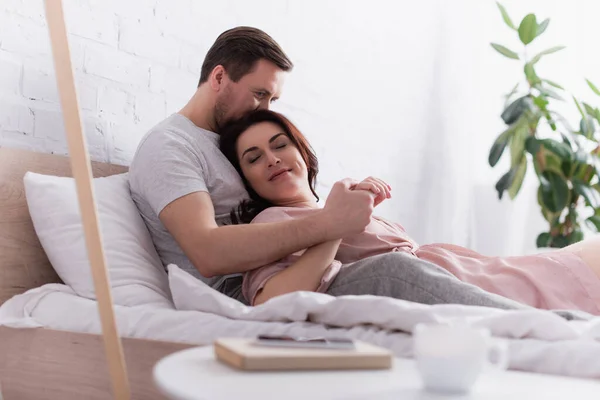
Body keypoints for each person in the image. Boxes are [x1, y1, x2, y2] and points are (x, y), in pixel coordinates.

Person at [129, 26, 534, 312]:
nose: (266, 110)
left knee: (440, 264)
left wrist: (346, 209)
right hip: (251, 294)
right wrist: (329, 224)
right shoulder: (171, 146)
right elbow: (206, 251)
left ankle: (555, 324)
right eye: (260, 95)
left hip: (308, 265)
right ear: (219, 77)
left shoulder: (224, 144)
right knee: (394, 272)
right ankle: (545, 331)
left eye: (272, 100)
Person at [218, 109, 600, 314]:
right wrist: (335, 222)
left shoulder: (335, 198)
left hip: (462, 270)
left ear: (301, 151)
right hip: (445, 285)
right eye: (254, 158)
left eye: (279, 145)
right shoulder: (269, 223)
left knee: (570, 261)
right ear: (247, 179)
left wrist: (352, 209)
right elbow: (271, 300)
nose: (272, 160)